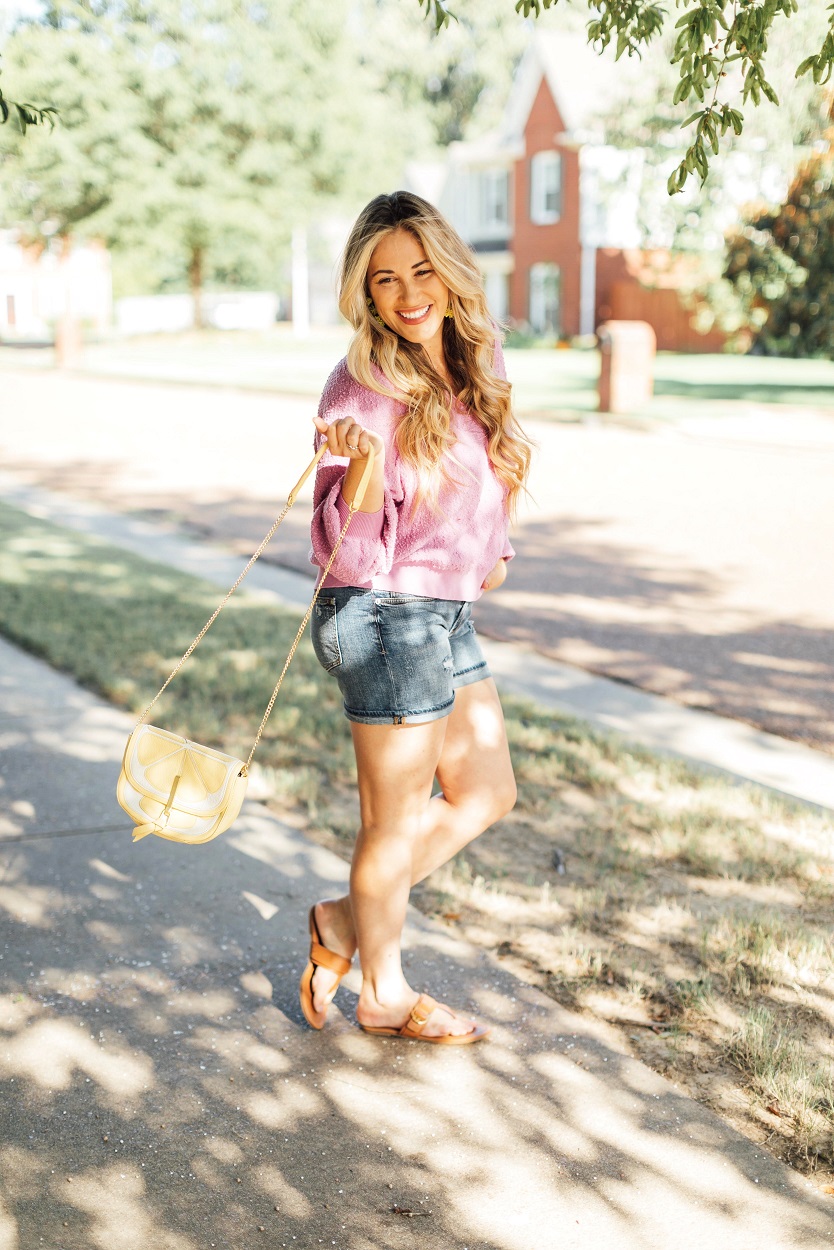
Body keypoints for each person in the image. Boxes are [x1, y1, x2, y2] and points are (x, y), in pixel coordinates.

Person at [301, 190, 533, 1044]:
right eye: (385, 278)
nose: (407, 293)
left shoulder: (480, 357)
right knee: (390, 822)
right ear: (364, 289)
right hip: (383, 609)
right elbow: (348, 555)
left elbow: (489, 472)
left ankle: (343, 920)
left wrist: (493, 550)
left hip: (442, 608)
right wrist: (359, 476)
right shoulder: (361, 383)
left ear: (449, 269)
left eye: (422, 269)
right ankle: (384, 994)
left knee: (487, 790)